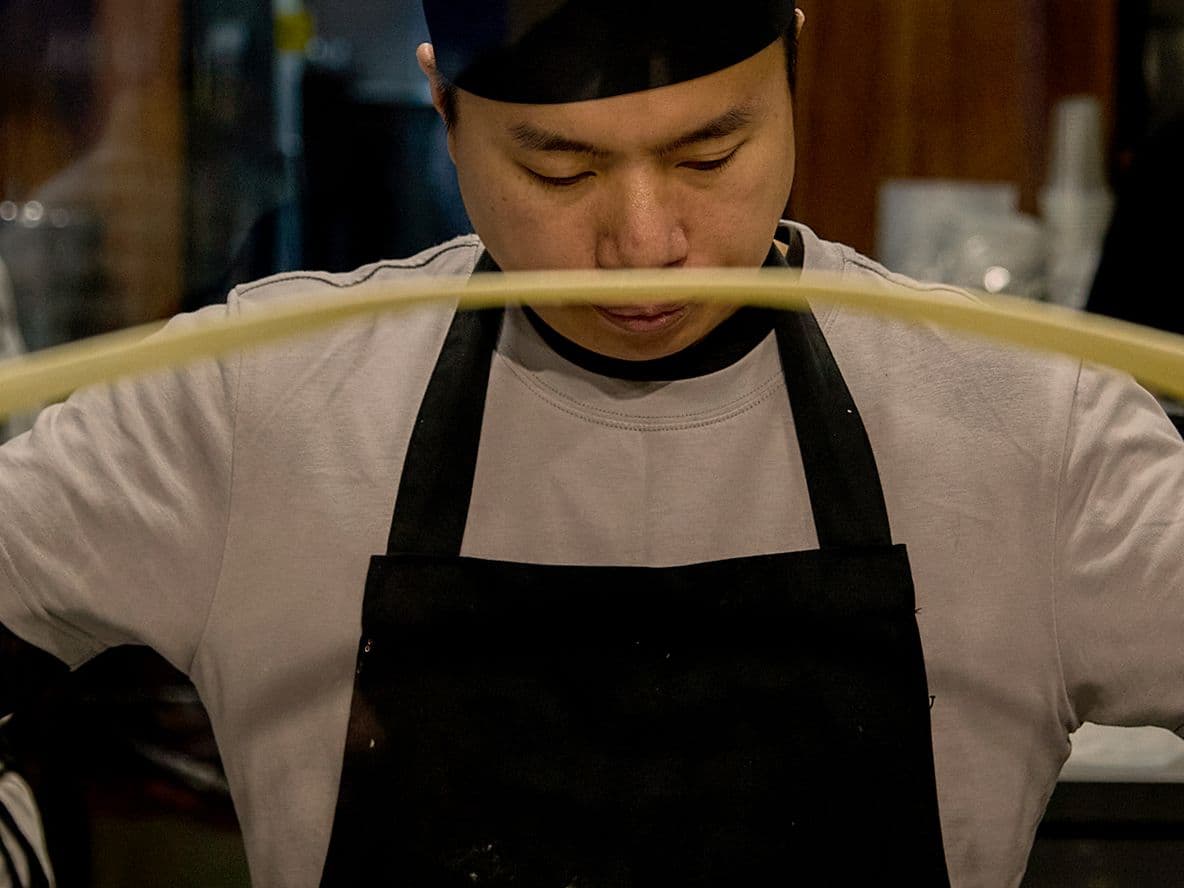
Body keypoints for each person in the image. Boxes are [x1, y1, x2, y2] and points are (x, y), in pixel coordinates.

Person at [0, 2, 1182, 885]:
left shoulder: (1033, 420)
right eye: (556, 166)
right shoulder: (248, 402)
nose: (644, 240)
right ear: (442, 108)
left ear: (796, 67)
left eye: (709, 157)